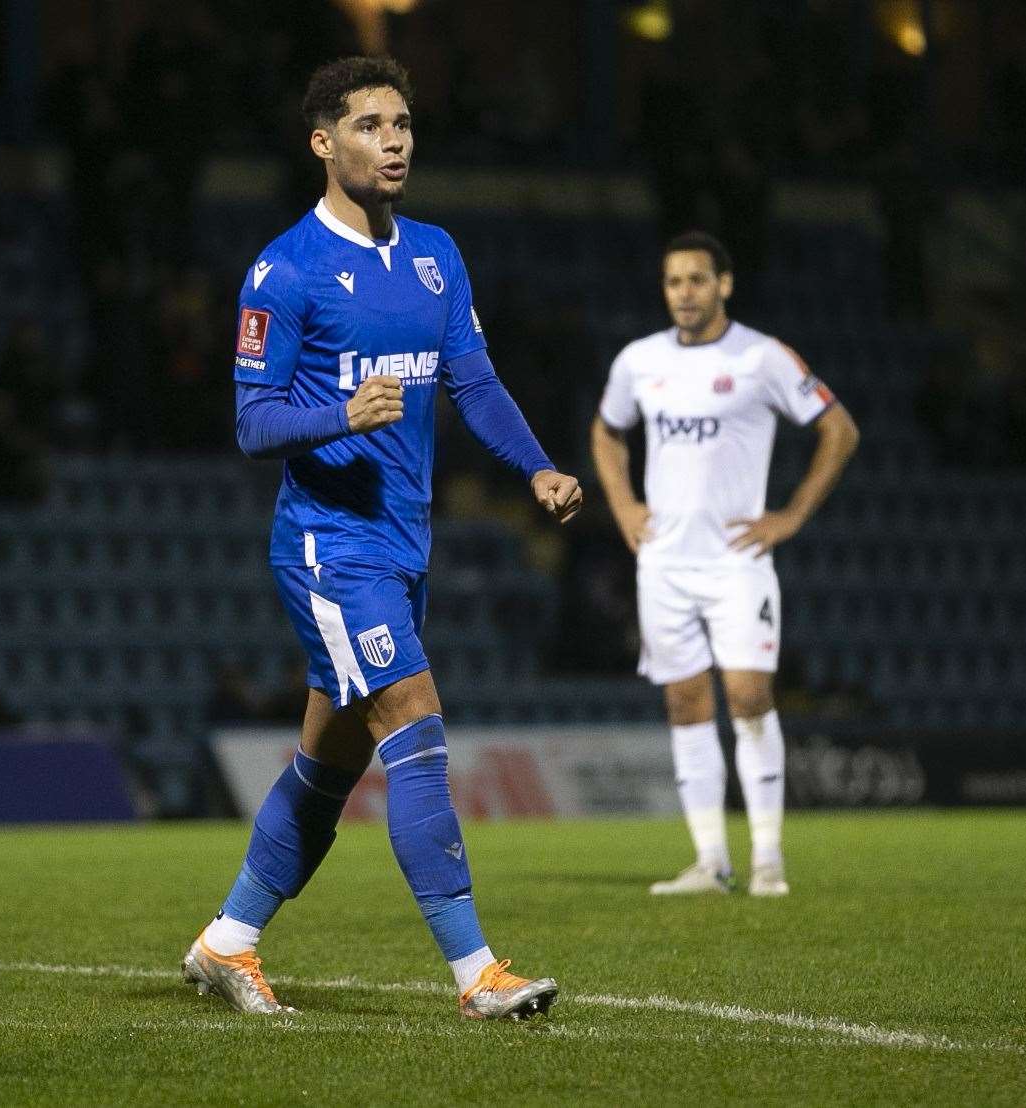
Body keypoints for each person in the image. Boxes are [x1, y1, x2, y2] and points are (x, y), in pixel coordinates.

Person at [181, 57, 581, 1021]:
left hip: (404, 551)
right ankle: (475, 972)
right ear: (323, 143)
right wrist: (339, 413)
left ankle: (225, 942)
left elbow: (474, 383)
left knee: (328, 768)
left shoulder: (437, 254)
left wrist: (534, 467)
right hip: (329, 548)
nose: (395, 140)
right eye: (371, 125)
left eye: (403, 123)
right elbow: (252, 422)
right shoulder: (285, 271)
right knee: (416, 723)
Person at [591, 231, 859, 897]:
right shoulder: (639, 361)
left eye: (697, 280)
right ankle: (711, 861)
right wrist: (624, 506)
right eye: (674, 281)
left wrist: (791, 515)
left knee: (746, 695)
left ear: (724, 285)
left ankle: (767, 856)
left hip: (737, 561)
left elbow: (839, 429)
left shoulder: (761, 357)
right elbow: (606, 431)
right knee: (685, 701)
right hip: (664, 564)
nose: (684, 292)